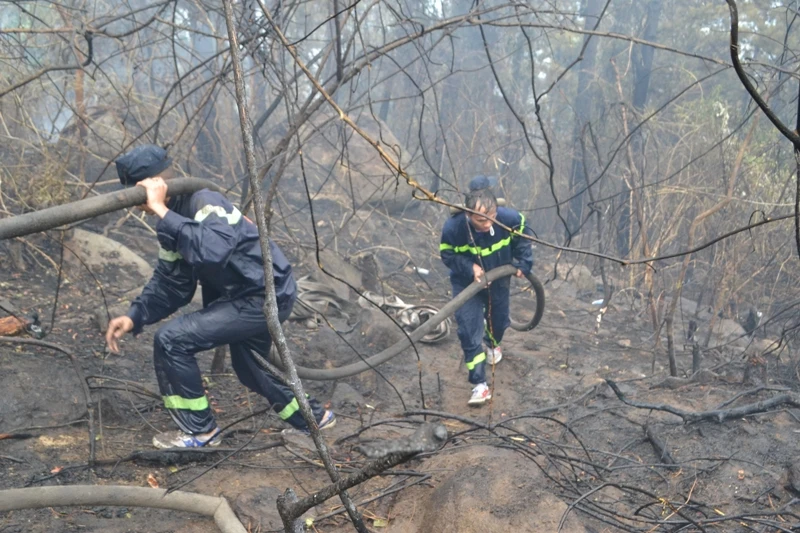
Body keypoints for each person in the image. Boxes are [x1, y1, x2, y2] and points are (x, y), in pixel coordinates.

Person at [105, 144, 335, 448]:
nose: (137, 206)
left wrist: (161, 210)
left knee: (172, 340)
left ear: (148, 186)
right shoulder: (171, 220)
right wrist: (134, 316)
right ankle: (315, 420)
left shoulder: (205, 201)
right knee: (251, 367)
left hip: (263, 296)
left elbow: (213, 250)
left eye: (135, 195)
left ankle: (200, 431)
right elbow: (171, 284)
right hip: (244, 298)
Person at [440, 176, 534, 406]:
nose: (488, 223)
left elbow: (523, 237)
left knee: (498, 322)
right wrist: (469, 267)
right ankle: (479, 384)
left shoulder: (509, 219)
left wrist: (523, 262)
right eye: (481, 219)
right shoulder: (454, 229)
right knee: (468, 331)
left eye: (491, 216)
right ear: (467, 214)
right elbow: (447, 254)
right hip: (467, 285)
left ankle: (493, 343)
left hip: (499, 281)